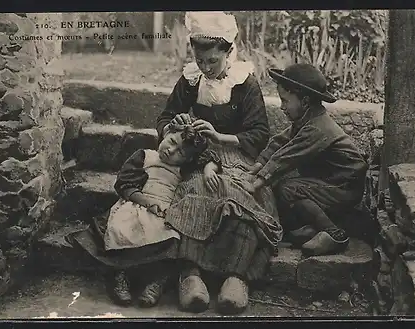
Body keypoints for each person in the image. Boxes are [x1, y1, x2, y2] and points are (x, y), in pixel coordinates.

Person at [156, 11, 282, 315]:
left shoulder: (244, 84)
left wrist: (221, 137)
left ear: (229, 51)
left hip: (238, 156)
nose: (206, 68)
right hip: (197, 158)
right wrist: (174, 125)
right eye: (201, 61)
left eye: (212, 61)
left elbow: (260, 134)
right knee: (196, 193)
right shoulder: (190, 80)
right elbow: (163, 119)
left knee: (242, 196)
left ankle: (235, 277)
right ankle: (191, 275)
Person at [66, 122, 221, 308]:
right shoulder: (146, 156)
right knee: (123, 230)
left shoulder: (183, 170)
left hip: (163, 212)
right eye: (171, 141)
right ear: (167, 133)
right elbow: (125, 184)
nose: (171, 150)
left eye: (180, 152)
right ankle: (120, 276)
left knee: (171, 238)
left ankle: (156, 282)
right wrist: (147, 203)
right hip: (137, 204)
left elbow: (210, 155)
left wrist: (209, 167)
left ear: (187, 159)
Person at [239, 64, 369, 257]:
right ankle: (314, 227)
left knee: (288, 189)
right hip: (327, 182)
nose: (282, 107)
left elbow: (285, 157)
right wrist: (254, 168)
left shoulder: (317, 128)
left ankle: (334, 233)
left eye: (285, 101)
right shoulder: (305, 120)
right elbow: (279, 143)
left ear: (305, 101)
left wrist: (256, 183)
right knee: (288, 189)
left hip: (344, 186)